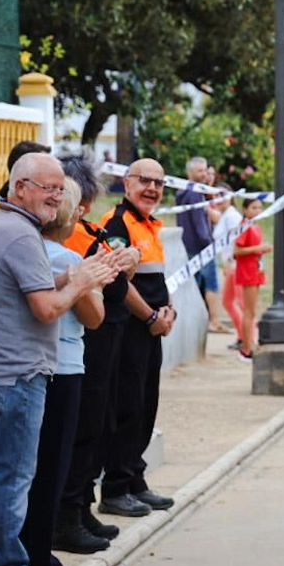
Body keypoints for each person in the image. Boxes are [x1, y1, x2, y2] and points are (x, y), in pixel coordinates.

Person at [0, 152, 116, 566]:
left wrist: (74, 275)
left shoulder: (1, 227)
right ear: (19, 187)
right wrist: (83, 280)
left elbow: (33, 285)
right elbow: (47, 307)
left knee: (1, 473)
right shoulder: (18, 235)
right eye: (48, 188)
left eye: (59, 189)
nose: (56, 197)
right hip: (18, 371)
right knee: (13, 475)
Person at [20, 178, 106, 566]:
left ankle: (32, 548)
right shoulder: (62, 258)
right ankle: (38, 552)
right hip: (63, 365)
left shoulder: (31, 248)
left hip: (40, 364)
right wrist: (89, 282)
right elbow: (94, 317)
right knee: (51, 462)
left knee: (33, 463)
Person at [57, 153, 141, 543]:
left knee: (97, 426)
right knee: (83, 430)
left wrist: (129, 259)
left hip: (106, 340)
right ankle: (68, 513)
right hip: (87, 341)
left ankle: (81, 507)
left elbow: (120, 277)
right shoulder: (70, 239)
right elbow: (106, 286)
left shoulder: (90, 231)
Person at [97, 158, 178, 515]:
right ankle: (115, 488)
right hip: (129, 331)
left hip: (151, 330)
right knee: (126, 406)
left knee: (146, 406)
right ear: (126, 184)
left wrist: (169, 311)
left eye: (159, 183)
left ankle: (134, 480)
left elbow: (157, 281)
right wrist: (149, 318)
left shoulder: (151, 225)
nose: (152, 189)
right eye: (144, 180)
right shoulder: (117, 224)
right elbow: (118, 281)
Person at [177, 156, 225, 334]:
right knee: (211, 284)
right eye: (200, 171)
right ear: (190, 173)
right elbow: (199, 223)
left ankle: (199, 320)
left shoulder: (182, 191)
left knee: (195, 286)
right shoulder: (195, 193)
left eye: (205, 170)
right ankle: (215, 320)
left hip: (187, 245)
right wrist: (209, 242)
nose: (204, 174)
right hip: (202, 246)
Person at [232, 197, 270, 362]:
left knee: (252, 311)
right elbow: (237, 251)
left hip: (256, 270)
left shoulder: (256, 226)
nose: (257, 211)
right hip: (247, 271)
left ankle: (250, 343)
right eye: (254, 208)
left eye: (259, 208)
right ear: (245, 209)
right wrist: (259, 248)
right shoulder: (244, 226)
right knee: (249, 311)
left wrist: (262, 250)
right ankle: (246, 348)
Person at [213, 187, 245, 346]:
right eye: (217, 195)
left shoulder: (232, 215)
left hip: (236, 263)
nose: (220, 198)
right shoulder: (224, 215)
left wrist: (232, 260)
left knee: (241, 303)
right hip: (230, 263)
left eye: (223, 195)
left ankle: (248, 339)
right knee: (228, 301)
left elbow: (240, 237)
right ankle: (242, 337)